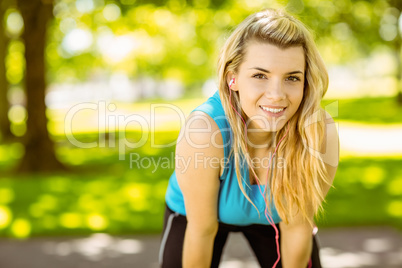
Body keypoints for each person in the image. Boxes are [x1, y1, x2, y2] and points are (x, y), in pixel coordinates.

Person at [159, 8, 339, 268]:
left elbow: (297, 227)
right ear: (233, 78)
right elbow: (202, 231)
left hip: (277, 219)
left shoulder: (318, 132)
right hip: (196, 218)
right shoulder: (204, 131)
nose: (276, 94)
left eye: (291, 78)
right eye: (259, 75)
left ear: (305, 82)